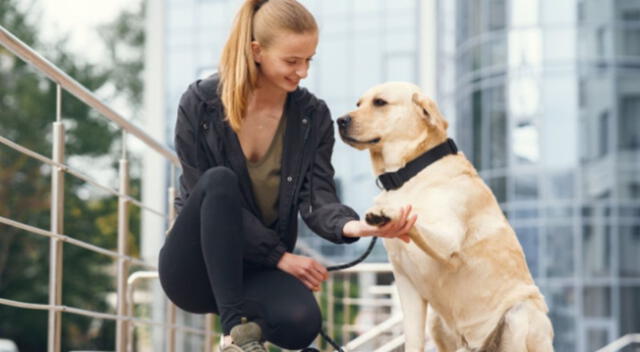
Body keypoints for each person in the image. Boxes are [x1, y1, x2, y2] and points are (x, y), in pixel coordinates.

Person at [158, 0, 417, 351]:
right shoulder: (200, 104)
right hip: (195, 266)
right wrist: (279, 257)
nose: (303, 71)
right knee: (219, 181)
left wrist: (356, 226)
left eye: (309, 60)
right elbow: (198, 191)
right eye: (292, 61)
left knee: (302, 322)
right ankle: (235, 335)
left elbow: (318, 197)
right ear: (257, 51)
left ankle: (244, 339)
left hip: (254, 268)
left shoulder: (312, 117)